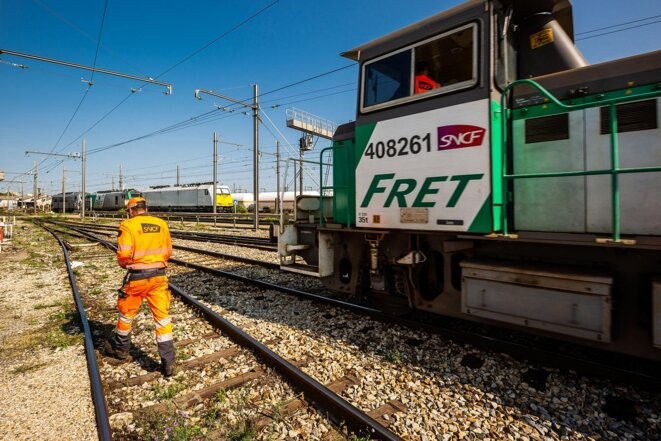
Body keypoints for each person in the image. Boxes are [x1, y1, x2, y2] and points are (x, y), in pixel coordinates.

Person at [102, 196, 175, 377]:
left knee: (126, 315)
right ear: (145, 207)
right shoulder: (161, 224)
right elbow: (168, 252)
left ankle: (121, 351)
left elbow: (123, 255)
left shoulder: (127, 225)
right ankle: (168, 363)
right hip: (159, 277)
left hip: (137, 279)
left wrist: (129, 263)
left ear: (130, 210)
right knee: (162, 319)